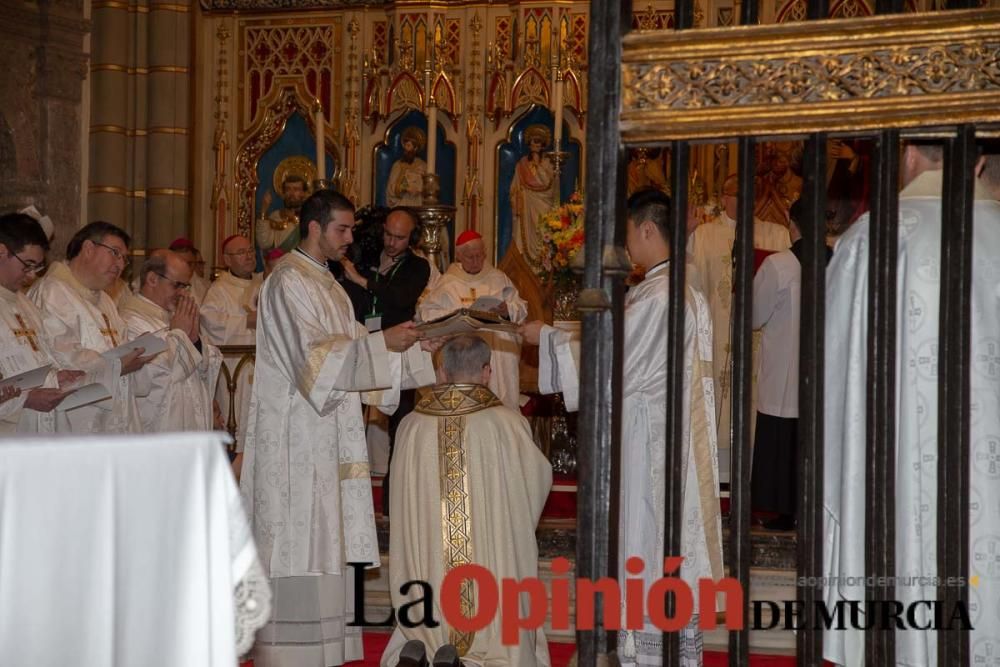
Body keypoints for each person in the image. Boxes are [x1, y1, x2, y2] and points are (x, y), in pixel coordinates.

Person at [523, 189, 724, 667]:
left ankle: (644, 652)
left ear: (647, 229)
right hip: (665, 440)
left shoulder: (659, 295)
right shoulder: (680, 290)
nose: (627, 245)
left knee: (647, 544)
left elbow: (613, 365)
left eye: (629, 233)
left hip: (649, 448)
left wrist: (546, 337)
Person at [240, 189, 440, 667]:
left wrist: (414, 350)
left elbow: (358, 351)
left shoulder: (327, 284)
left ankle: (323, 653)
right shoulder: (289, 281)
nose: (351, 239)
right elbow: (316, 362)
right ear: (314, 227)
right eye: (342, 229)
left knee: (325, 543)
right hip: (298, 442)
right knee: (298, 541)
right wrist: (382, 343)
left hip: (326, 441)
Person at [823, 142, 1000, 667]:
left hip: (899, 489)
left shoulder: (873, 241)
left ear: (905, 156)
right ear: (976, 161)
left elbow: (834, 389)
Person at [380, 334, 552, 667]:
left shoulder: (411, 426)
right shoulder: (508, 424)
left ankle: (425, 645)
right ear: (487, 372)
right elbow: (536, 484)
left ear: (441, 372)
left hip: (428, 554)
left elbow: (399, 499)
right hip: (490, 557)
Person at [686, 173, 790, 483]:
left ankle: (756, 473)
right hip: (717, 338)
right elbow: (690, 286)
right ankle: (719, 475)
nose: (742, 201)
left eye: (750, 194)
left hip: (763, 340)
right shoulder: (704, 235)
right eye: (734, 194)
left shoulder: (777, 235)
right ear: (723, 197)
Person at [341, 206, 433, 511]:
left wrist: (361, 280)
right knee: (349, 423)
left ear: (412, 238)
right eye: (387, 234)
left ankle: (395, 507)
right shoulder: (365, 257)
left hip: (398, 352)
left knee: (401, 429)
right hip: (360, 346)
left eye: (399, 238)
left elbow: (400, 298)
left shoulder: (418, 267)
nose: (391, 243)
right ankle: (350, 504)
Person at [29, 221, 156, 433]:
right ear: (88, 248)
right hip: (79, 418)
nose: (120, 265)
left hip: (116, 415)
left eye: (124, 259)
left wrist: (138, 350)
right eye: (115, 253)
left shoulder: (105, 300)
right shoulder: (53, 292)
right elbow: (61, 356)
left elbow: (117, 348)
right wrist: (119, 364)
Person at [749, 198, 830, 531]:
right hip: (825, 369)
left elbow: (754, 315)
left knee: (783, 437)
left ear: (789, 220)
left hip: (785, 369)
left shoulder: (779, 265)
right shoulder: (838, 260)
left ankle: (785, 510)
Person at [418, 229, 528, 410]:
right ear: (459, 256)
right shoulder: (447, 283)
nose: (477, 261)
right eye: (470, 257)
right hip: (460, 353)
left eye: (480, 256)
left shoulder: (499, 278)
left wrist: (507, 310)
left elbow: (521, 307)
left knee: (499, 406)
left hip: (496, 355)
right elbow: (428, 314)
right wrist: (458, 315)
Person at [120, 251, 222, 432]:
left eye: (186, 286)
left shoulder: (175, 316)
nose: (183, 293)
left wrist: (195, 340)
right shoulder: (129, 321)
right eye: (177, 285)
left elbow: (207, 363)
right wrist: (179, 334)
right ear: (152, 279)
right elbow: (148, 375)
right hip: (158, 426)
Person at [0, 212, 83, 433]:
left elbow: (38, 357)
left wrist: (56, 376)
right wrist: (24, 400)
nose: (30, 276)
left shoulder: (26, 305)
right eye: (27, 265)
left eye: (36, 267)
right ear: (1, 251)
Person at [201, 233, 261, 445]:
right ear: (226, 259)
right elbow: (210, 321)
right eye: (241, 252)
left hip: (262, 369)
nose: (249, 256)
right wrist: (246, 322)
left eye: (251, 250)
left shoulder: (264, 283)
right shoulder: (219, 289)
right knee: (237, 429)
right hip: (234, 373)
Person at [509, 124, 557, 265]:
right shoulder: (521, 164)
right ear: (529, 143)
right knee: (524, 244)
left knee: (544, 237)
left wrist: (538, 165)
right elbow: (514, 188)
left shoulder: (548, 163)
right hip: (526, 209)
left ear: (543, 144)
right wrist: (518, 197)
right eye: (533, 141)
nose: (535, 144)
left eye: (538, 141)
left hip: (543, 208)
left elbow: (550, 185)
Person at [257, 174, 309, 255]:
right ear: (283, 193)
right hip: (280, 263)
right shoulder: (276, 216)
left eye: (296, 189)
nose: (291, 194)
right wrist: (264, 209)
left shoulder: (310, 216)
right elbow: (264, 243)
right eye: (288, 189)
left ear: (304, 193)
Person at [387, 126, 428, 207]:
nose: (406, 149)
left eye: (408, 146)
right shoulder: (397, 165)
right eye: (405, 145)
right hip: (402, 204)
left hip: (417, 204)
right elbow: (391, 188)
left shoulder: (423, 165)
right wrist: (404, 188)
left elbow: (429, 188)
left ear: (415, 148)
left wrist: (419, 190)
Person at [169, 237, 210, 304]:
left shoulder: (207, 287)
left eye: (189, 263)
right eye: (180, 263)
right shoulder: (161, 285)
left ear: (195, 263)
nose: (184, 268)